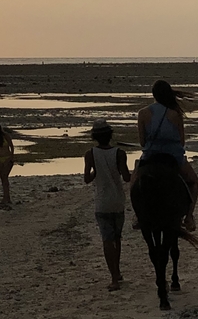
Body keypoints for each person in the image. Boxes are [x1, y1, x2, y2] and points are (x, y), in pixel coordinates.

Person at [135, 79, 198, 230]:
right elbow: (182, 141)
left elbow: (142, 142)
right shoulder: (175, 113)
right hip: (173, 157)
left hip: (150, 156)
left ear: (153, 95)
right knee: (194, 181)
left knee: (135, 181)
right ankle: (189, 217)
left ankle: (138, 216)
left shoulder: (143, 113)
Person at [84, 118, 131, 292]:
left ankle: (113, 277)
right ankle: (117, 272)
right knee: (117, 239)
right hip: (118, 200)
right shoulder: (120, 153)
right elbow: (126, 177)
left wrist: (98, 170)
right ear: (110, 135)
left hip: (102, 201)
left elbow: (87, 179)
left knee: (107, 240)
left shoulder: (90, 154)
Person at [0, 121, 15, 208]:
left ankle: (6, 197)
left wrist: (12, 157)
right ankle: (6, 197)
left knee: (5, 177)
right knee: (2, 178)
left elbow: (11, 146)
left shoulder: (6, 136)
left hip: (7, 158)